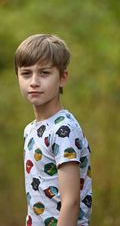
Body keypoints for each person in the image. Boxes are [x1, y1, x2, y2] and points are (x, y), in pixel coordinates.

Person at [15, 34, 92, 226]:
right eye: (26, 73)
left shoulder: (63, 129)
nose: (34, 81)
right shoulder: (31, 130)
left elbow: (71, 201)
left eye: (44, 73)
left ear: (62, 78)